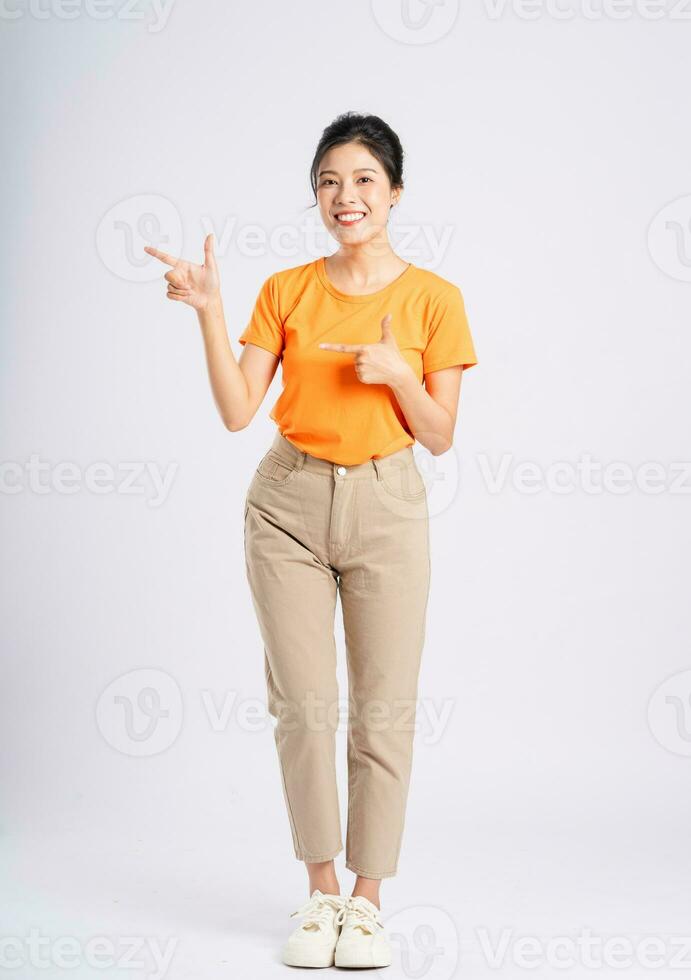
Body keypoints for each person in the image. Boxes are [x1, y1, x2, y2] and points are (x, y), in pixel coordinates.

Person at [145, 111, 477, 970]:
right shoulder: (287, 289)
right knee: (303, 706)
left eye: (364, 179)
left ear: (395, 193)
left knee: (383, 708)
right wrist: (210, 312)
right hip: (287, 504)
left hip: (388, 504)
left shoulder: (434, 298)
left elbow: (439, 434)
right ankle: (321, 889)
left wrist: (400, 371)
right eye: (329, 181)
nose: (345, 196)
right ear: (315, 197)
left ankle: (367, 903)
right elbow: (234, 411)